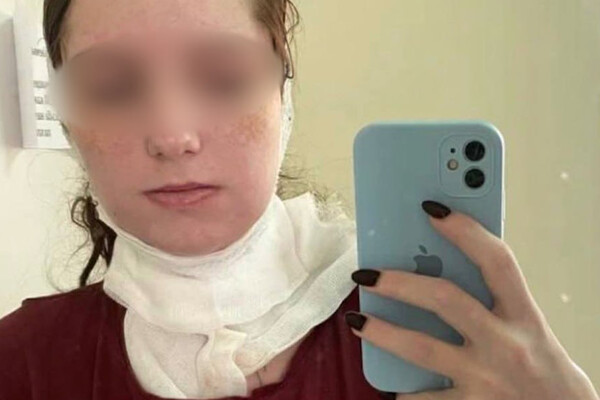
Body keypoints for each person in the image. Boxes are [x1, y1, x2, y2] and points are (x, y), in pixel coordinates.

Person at [0, 1, 598, 399]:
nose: (173, 134)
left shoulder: (442, 344)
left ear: (282, 99)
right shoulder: (21, 361)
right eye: (113, 88)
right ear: (69, 121)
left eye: (224, 78)